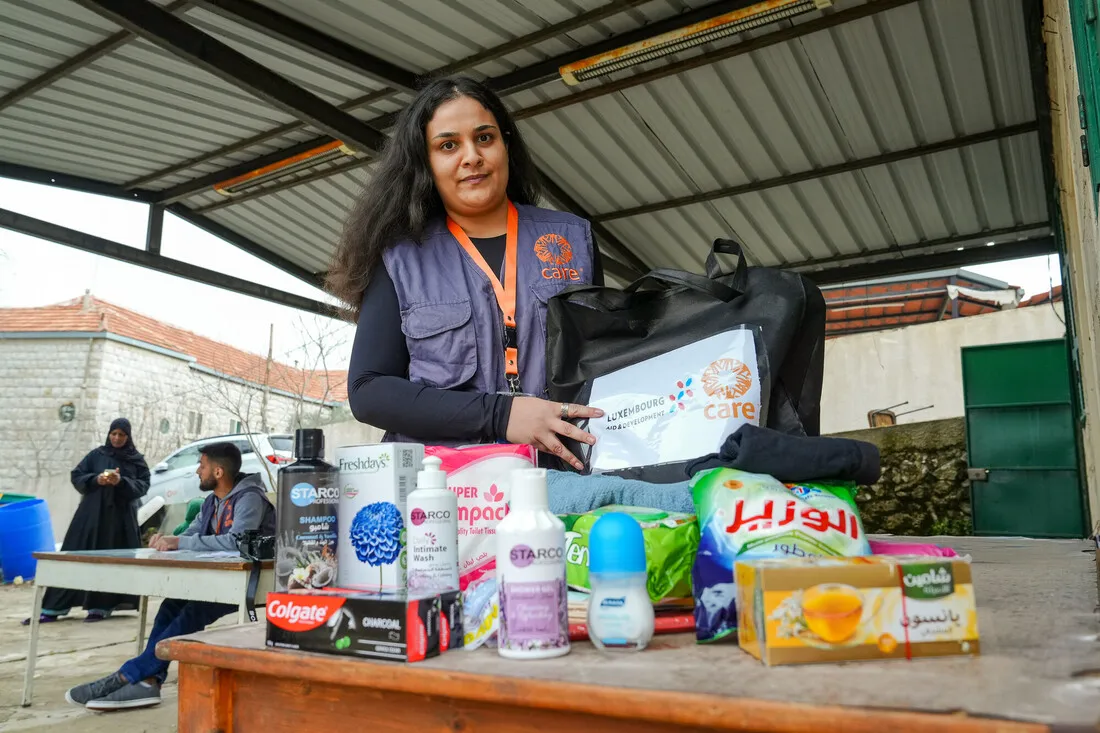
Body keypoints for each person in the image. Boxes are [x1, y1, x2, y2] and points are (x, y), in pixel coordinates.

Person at [328, 76, 604, 469]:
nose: (471, 156)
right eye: (448, 145)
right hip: (443, 489)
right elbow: (368, 391)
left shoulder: (573, 238)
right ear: (425, 163)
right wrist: (500, 415)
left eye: (485, 138)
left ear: (506, 144)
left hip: (560, 477)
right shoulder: (400, 258)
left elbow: (606, 366)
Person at [64, 442, 275, 711]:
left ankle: (126, 676)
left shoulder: (250, 498)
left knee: (193, 613)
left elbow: (237, 541)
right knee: (171, 604)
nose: (198, 471)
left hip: (251, 582)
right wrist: (167, 541)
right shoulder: (212, 502)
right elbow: (190, 535)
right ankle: (150, 681)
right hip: (221, 580)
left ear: (219, 471)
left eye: (202, 465)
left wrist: (182, 544)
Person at [24, 418, 150, 625]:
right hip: (90, 516)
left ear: (128, 437)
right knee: (74, 555)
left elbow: (143, 485)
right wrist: (96, 479)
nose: (117, 438)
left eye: (121, 435)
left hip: (118, 521)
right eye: (114, 434)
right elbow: (77, 475)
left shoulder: (135, 460)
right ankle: (53, 608)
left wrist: (121, 482)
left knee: (109, 560)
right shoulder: (96, 455)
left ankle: (101, 607)